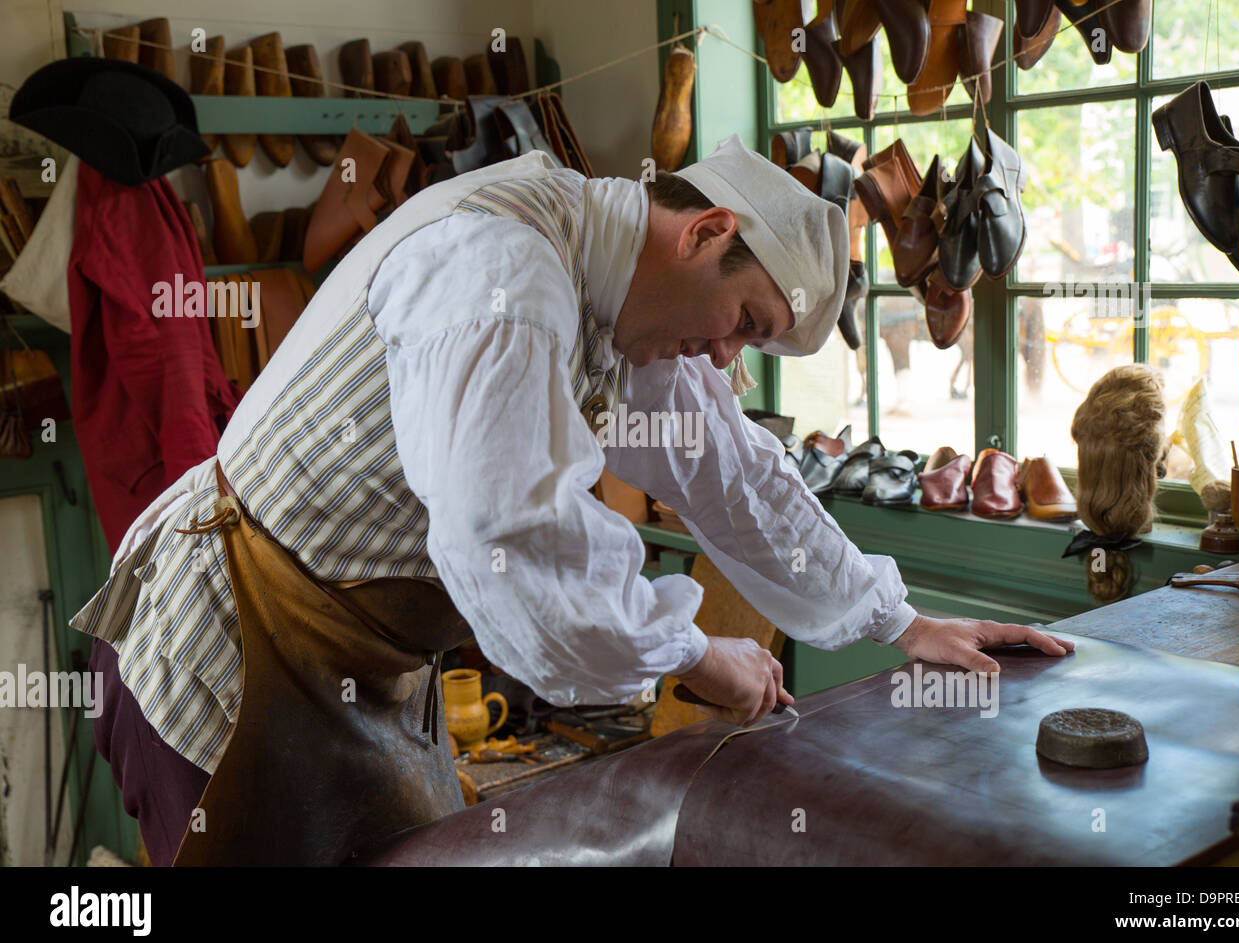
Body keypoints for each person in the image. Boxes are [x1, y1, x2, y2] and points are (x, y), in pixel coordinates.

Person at [73, 135, 1072, 865]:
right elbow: (508, 529)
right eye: (743, 321)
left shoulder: (625, 299)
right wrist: (694, 651)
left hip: (357, 665)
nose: (726, 354)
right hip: (220, 650)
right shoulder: (503, 276)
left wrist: (900, 621)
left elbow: (736, 474)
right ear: (707, 232)